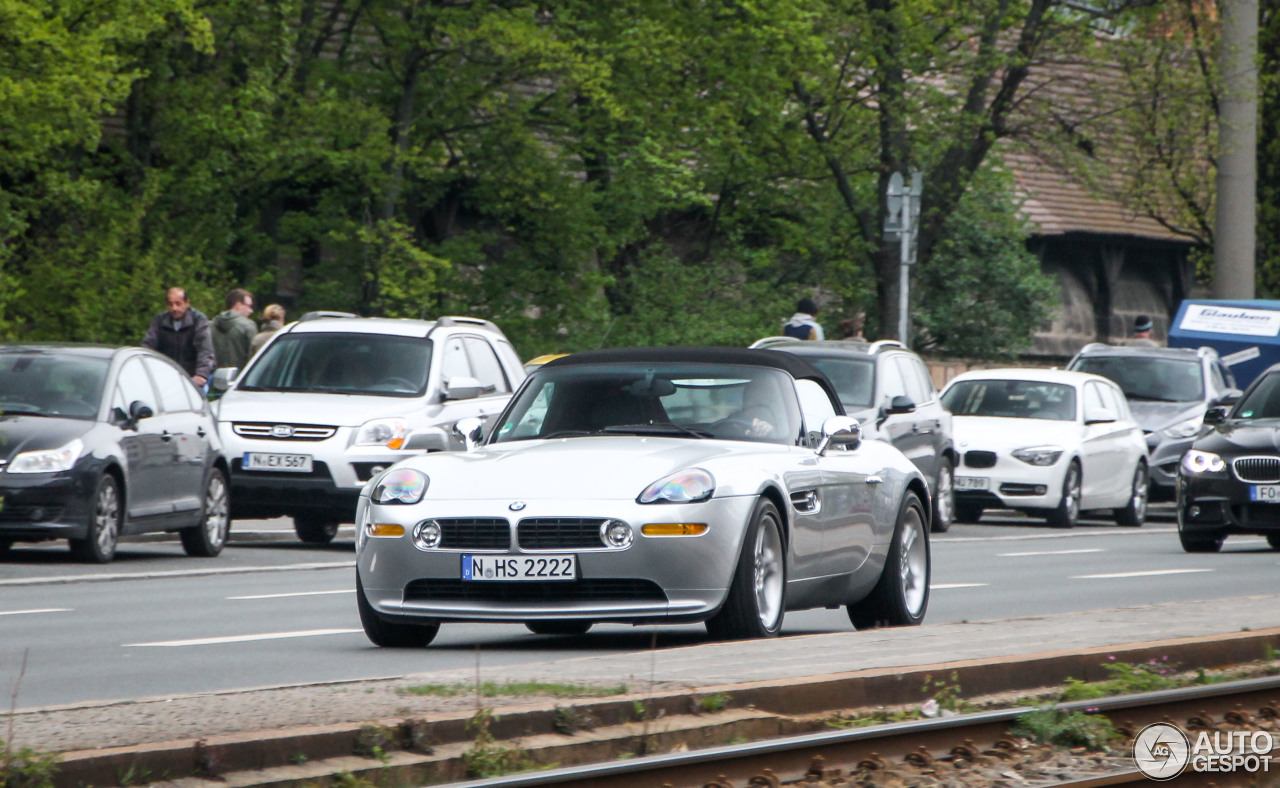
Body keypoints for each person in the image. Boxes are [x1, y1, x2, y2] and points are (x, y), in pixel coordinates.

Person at [141, 287, 216, 390]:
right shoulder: (160, 321)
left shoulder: (198, 320)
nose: (174, 308)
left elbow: (205, 350)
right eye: (170, 304)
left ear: (187, 303)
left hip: (192, 377)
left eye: (178, 303)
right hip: (166, 377)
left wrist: (201, 374)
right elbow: (147, 346)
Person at [212, 288, 257, 370]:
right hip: (240, 377)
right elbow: (255, 358)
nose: (251, 311)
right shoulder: (248, 326)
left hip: (215, 377)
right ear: (239, 304)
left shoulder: (211, 324)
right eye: (249, 306)